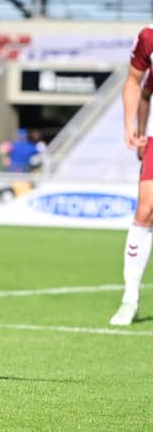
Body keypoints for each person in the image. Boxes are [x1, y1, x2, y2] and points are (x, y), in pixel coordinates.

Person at [110, 27, 153, 325]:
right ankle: (130, 299)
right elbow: (137, 82)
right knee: (146, 209)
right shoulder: (149, 37)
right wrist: (134, 126)